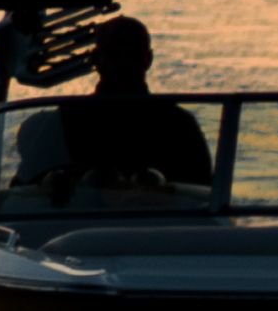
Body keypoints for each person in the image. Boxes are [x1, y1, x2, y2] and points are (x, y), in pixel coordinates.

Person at [49, 13, 221, 198]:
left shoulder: (65, 119)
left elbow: (203, 194)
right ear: (148, 60)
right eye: (116, 54)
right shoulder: (178, 123)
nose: (123, 62)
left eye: (130, 54)